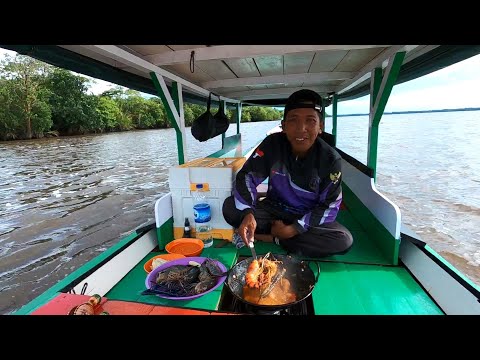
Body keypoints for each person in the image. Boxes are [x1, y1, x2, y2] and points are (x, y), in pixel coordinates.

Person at [222, 89, 353, 257]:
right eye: (293, 120)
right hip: (273, 210)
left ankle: (275, 239)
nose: (301, 128)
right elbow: (247, 176)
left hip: (306, 216)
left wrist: (294, 228)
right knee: (230, 207)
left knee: (342, 240)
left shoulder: (330, 159)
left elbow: (329, 205)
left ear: (321, 126)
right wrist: (249, 213)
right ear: (283, 126)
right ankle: (276, 234)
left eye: (310, 120)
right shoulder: (273, 144)